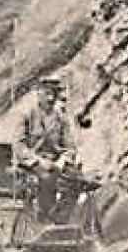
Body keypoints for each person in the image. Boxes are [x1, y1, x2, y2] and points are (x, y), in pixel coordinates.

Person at [16, 76, 83, 223]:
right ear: (38, 94)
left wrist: (63, 160)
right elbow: (19, 146)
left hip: (56, 163)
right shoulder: (27, 115)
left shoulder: (61, 118)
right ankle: (45, 219)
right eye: (47, 93)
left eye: (53, 94)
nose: (50, 98)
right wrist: (38, 161)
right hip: (33, 164)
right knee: (46, 179)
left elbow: (70, 146)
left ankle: (61, 217)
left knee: (77, 179)